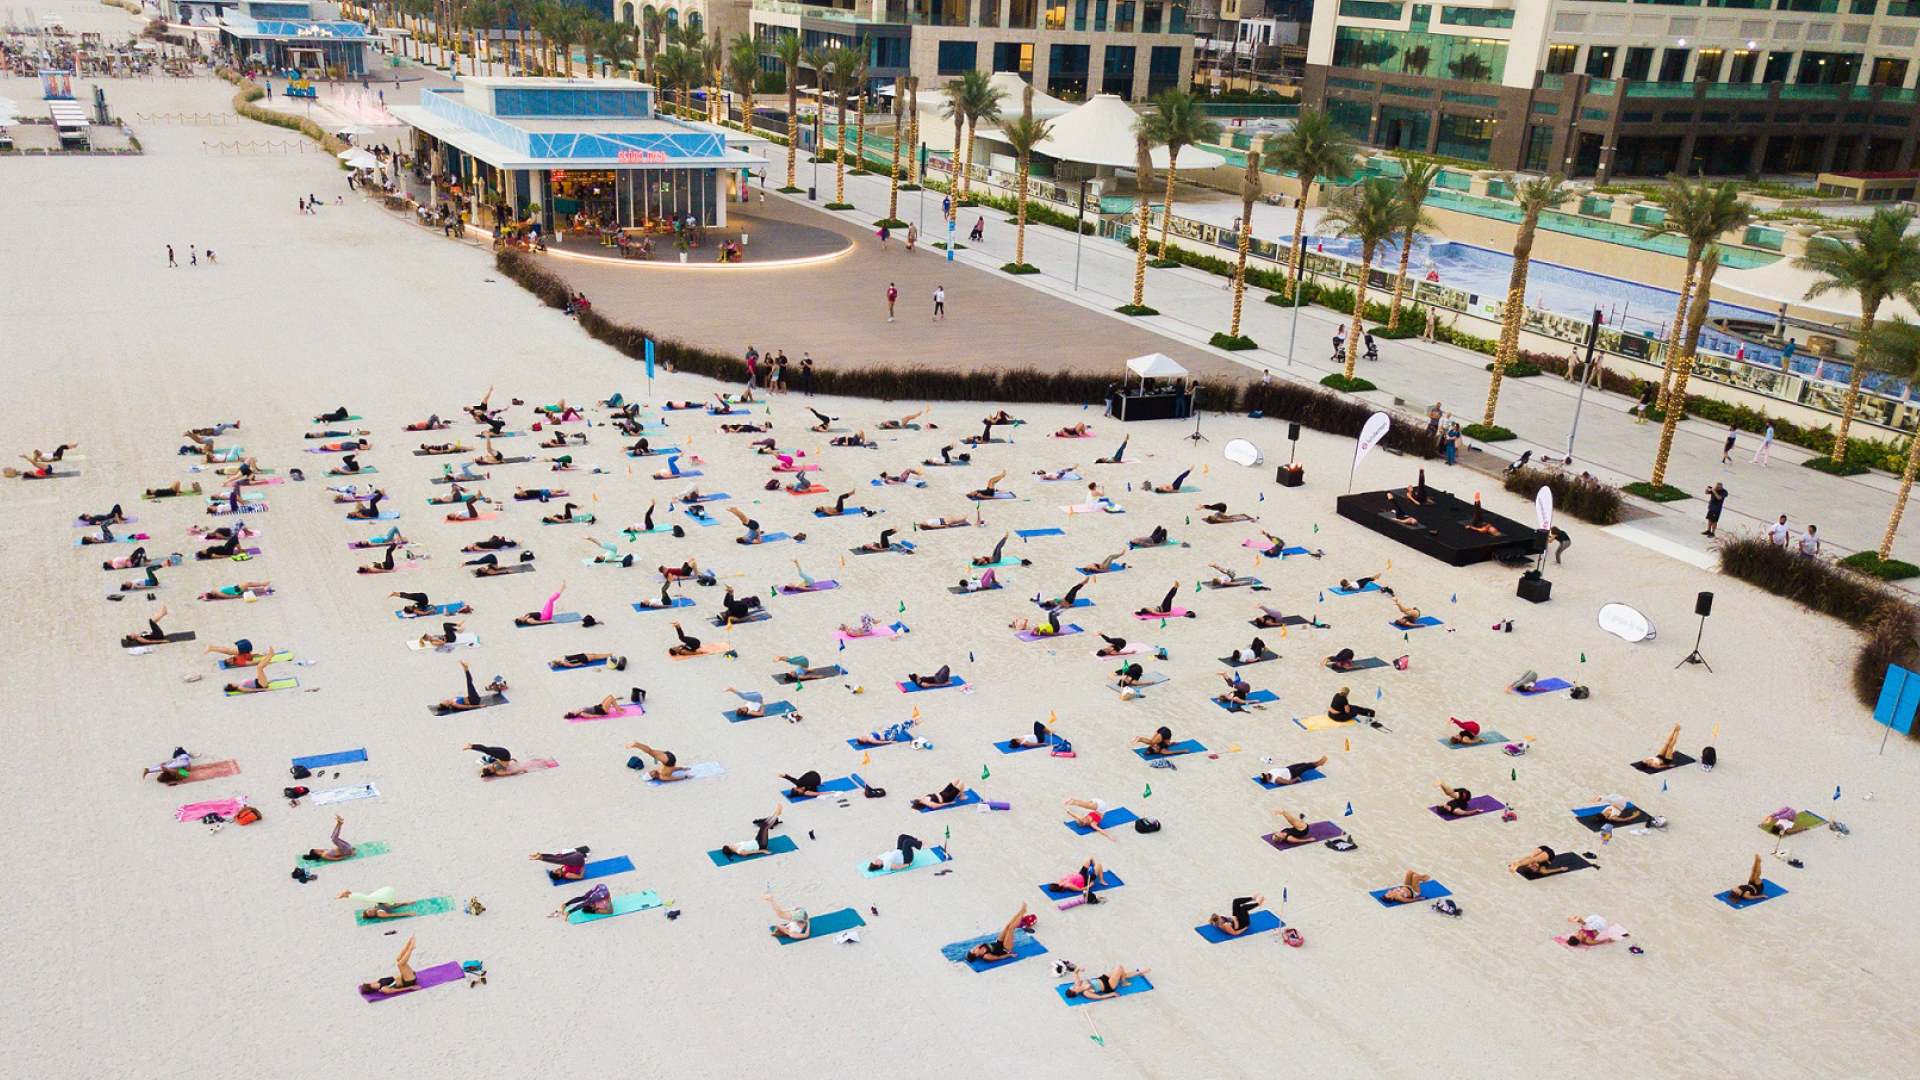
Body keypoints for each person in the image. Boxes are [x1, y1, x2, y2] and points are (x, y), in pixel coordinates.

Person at [964, 903, 1029, 964]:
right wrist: (1009, 955)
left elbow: (976, 949)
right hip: (1005, 948)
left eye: (973, 949)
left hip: (999, 943)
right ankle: (1023, 912)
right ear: (977, 954)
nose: (975, 948)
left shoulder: (979, 947)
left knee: (1007, 926)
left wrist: (975, 949)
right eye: (974, 950)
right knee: (1010, 929)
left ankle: (1021, 911)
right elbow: (998, 957)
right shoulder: (986, 956)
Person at [1063, 965, 1150, 1000]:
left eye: (1072, 986)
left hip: (1103, 978)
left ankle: (1139, 973)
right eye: (1074, 988)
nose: (1074, 985)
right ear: (1077, 992)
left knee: (1122, 973)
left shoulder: (1078, 984)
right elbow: (1099, 997)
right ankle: (1124, 982)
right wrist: (1112, 994)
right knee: (1119, 968)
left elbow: (1075, 972)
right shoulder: (1086, 993)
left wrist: (1080, 969)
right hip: (1108, 986)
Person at [338, 887, 420, 920]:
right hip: (388, 895)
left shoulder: (377, 907)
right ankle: (348, 894)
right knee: (367, 898)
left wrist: (406, 903)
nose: (371, 911)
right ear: (373, 916)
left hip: (385, 894)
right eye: (371, 913)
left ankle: (348, 894)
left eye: (369, 911)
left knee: (368, 898)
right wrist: (408, 914)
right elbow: (394, 915)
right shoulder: (381, 914)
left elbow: (394, 905)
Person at [1258, 756, 1327, 786]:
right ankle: (1320, 763)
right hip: (1292, 773)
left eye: (1265, 774)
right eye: (1265, 776)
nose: (1266, 774)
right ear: (1267, 779)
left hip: (1288, 769)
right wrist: (1296, 778)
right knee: (1306, 767)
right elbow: (1288, 782)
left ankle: (1319, 761)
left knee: (1303, 764)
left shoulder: (1270, 773)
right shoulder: (1277, 779)